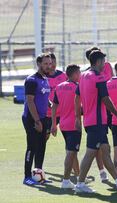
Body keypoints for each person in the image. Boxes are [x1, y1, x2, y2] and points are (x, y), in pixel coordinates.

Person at [74, 50, 117, 193]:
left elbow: (76, 97)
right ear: (98, 62)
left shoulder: (83, 76)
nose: (105, 64)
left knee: (105, 150)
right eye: (103, 61)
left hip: (90, 121)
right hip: (98, 122)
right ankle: (80, 184)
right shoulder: (99, 77)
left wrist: (78, 118)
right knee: (91, 152)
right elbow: (106, 99)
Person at [22, 53, 52, 185]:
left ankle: (38, 174)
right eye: (45, 63)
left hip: (43, 118)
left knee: (41, 147)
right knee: (32, 147)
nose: (48, 66)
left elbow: (42, 97)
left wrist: (49, 104)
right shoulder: (31, 80)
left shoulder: (45, 79)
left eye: (49, 63)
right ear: (39, 64)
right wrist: (37, 121)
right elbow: (30, 101)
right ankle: (27, 177)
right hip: (32, 119)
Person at [50, 64, 81, 189]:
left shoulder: (59, 87)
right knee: (71, 153)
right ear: (73, 74)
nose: (80, 75)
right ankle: (66, 180)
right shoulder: (77, 88)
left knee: (72, 152)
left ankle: (79, 178)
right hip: (74, 125)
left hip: (63, 125)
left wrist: (53, 124)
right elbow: (80, 107)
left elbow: (54, 106)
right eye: (79, 73)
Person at [45, 53, 67, 141]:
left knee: (69, 137)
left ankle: (70, 154)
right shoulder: (43, 78)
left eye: (54, 62)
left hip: (63, 113)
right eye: (51, 63)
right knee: (44, 138)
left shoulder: (63, 75)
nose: (53, 65)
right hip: (48, 114)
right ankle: (39, 154)